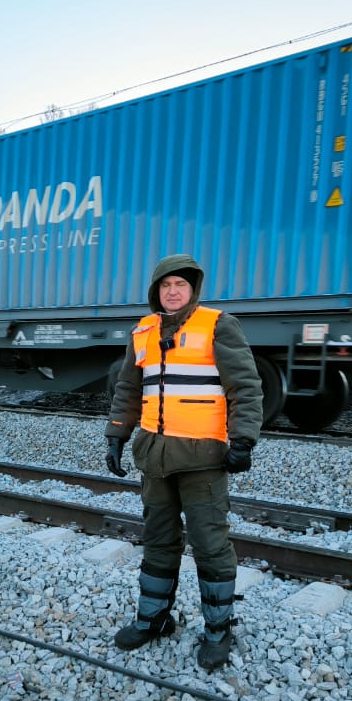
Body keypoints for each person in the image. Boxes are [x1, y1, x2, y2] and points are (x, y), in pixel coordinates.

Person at [104, 254, 263, 671]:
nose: (172, 291)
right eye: (165, 284)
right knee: (158, 538)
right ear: (156, 290)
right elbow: (127, 387)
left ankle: (217, 630)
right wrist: (117, 435)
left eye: (181, 284)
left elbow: (245, 385)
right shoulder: (143, 331)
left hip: (202, 458)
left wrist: (243, 439)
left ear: (193, 290)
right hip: (154, 456)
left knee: (210, 544)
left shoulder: (217, 324)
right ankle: (153, 618)